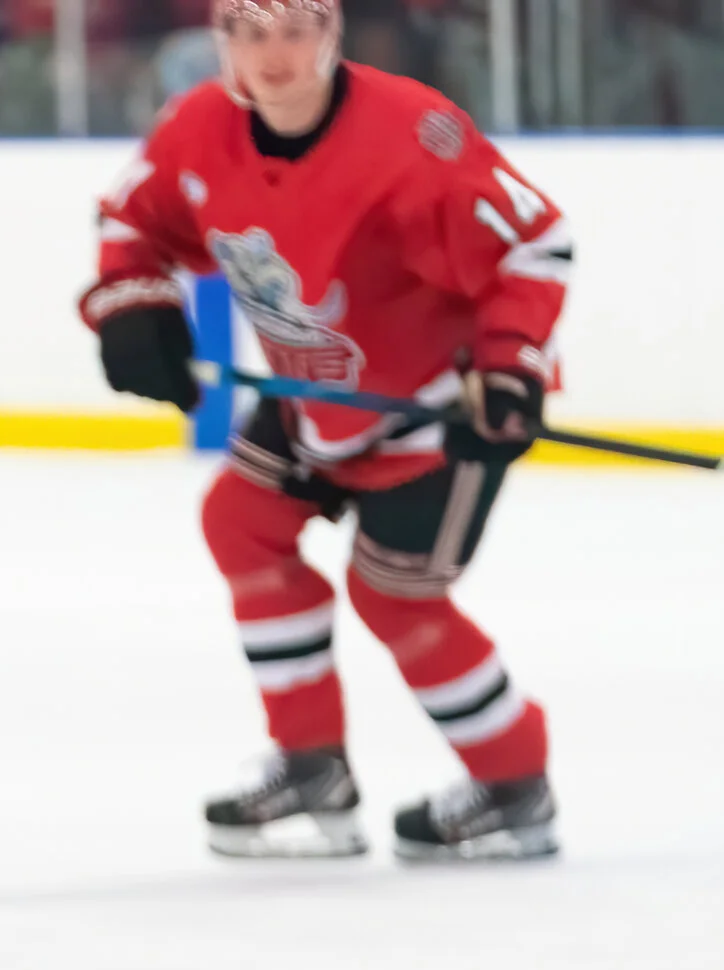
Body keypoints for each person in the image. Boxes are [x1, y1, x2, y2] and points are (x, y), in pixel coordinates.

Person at [81, 0, 567, 860]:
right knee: (240, 520)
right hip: (312, 395)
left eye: (295, 29)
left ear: (331, 33)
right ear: (221, 40)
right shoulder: (196, 126)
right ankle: (312, 766)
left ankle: (513, 781)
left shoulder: (416, 133)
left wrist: (510, 366)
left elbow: (535, 243)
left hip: (436, 405)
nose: (273, 54)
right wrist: (130, 303)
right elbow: (133, 223)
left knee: (394, 594)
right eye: (250, 31)